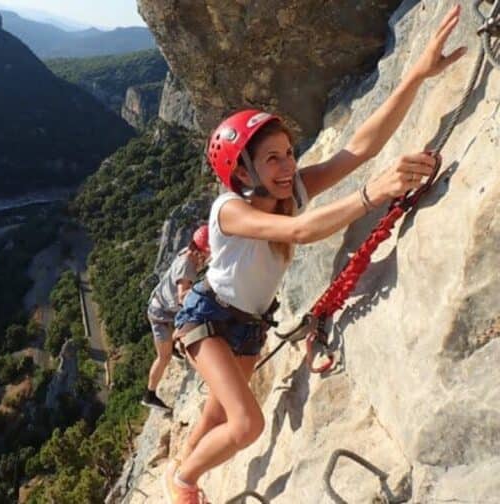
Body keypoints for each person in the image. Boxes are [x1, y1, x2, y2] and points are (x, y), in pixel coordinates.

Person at [162, 6, 466, 503]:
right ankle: (184, 481)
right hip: (209, 319)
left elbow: (359, 149)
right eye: (272, 159)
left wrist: (415, 74)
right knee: (245, 425)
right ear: (243, 174)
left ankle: (185, 474)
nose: (288, 166)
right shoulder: (228, 211)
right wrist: (373, 194)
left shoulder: (289, 190)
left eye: (288, 152)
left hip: (246, 323)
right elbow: (301, 232)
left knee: (218, 413)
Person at [142, 225, 212, 412]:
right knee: (163, 357)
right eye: (208, 252)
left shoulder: (188, 252)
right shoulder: (187, 266)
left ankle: (171, 346)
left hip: (164, 306)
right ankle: (149, 395)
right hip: (160, 315)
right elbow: (182, 296)